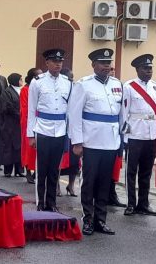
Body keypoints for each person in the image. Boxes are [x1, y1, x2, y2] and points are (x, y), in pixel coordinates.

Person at [68, 48, 122, 235]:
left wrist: (122, 140)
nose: (106, 66)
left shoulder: (117, 84)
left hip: (111, 141)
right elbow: (74, 115)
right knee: (89, 182)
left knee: (105, 183)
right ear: (94, 65)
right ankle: (88, 219)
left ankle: (101, 219)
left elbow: (120, 115)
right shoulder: (83, 84)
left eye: (108, 63)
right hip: (91, 141)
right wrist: (77, 142)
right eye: (102, 63)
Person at [27, 48, 72, 212]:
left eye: (60, 61)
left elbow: (70, 111)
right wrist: (30, 135)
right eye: (54, 61)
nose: (58, 64)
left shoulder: (67, 82)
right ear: (47, 63)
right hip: (42, 128)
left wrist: (71, 133)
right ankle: (40, 202)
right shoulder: (37, 81)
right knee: (42, 169)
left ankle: (51, 203)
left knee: (55, 170)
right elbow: (31, 110)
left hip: (60, 130)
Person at [122, 54, 156, 216]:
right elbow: (124, 113)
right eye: (145, 68)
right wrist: (125, 136)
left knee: (146, 172)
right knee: (131, 172)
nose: (148, 71)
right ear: (137, 69)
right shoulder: (129, 87)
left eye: (150, 68)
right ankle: (131, 203)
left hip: (151, 135)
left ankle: (143, 204)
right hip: (134, 135)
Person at [107, 64, 126, 208]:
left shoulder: (119, 86)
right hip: (101, 133)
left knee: (115, 165)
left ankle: (112, 193)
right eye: (110, 68)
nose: (112, 71)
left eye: (114, 69)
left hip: (117, 133)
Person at [0, 73, 25, 177]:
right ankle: (8, 170)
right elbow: (7, 107)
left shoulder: (22, 91)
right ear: (15, 80)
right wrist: (19, 114)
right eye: (20, 79)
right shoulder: (7, 92)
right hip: (9, 123)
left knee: (19, 146)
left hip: (19, 123)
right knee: (9, 146)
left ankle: (19, 170)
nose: (21, 81)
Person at [59, 67, 80, 197]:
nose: (72, 80)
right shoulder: (60, 89)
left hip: (73, 129)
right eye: (70, 77)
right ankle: (56, 185)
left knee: (74, 161)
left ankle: (71, 185)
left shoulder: (77, 89)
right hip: (61, 129)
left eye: (73, 77)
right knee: (59, 160)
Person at [20, 68, 42, 184]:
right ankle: (28, 171)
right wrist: (30, 124)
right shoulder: (25, 90)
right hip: (29, 122)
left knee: (39, 150)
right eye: (38, 75)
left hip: (41, 121)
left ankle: (36, 172)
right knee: (29, 149)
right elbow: (25, 108)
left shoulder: (41, 88)